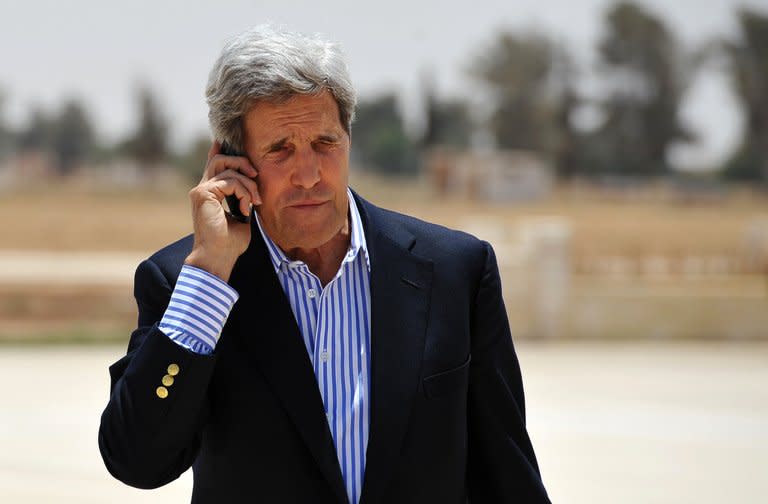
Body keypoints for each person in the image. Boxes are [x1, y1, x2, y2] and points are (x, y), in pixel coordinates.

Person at [98, 25, 550, 504]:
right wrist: (210, 273)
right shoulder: (184, 283)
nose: (310, 174)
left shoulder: (455, 271)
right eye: (280, 150)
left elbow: (507, 475)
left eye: (324, 143)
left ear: (349, 139)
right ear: (233, 162)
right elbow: (137, 459)